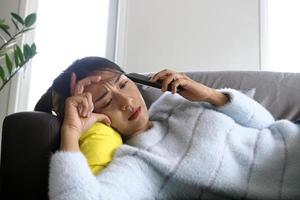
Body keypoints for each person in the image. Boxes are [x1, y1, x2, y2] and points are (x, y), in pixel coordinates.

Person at [38, 57, 300, 200]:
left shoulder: (177, 102)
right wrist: (71, 131)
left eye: (123, 84)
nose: (127, 102)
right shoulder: (139, 163)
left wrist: (211, 95)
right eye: (106, 102)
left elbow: (267, 127)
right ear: (92, 116)